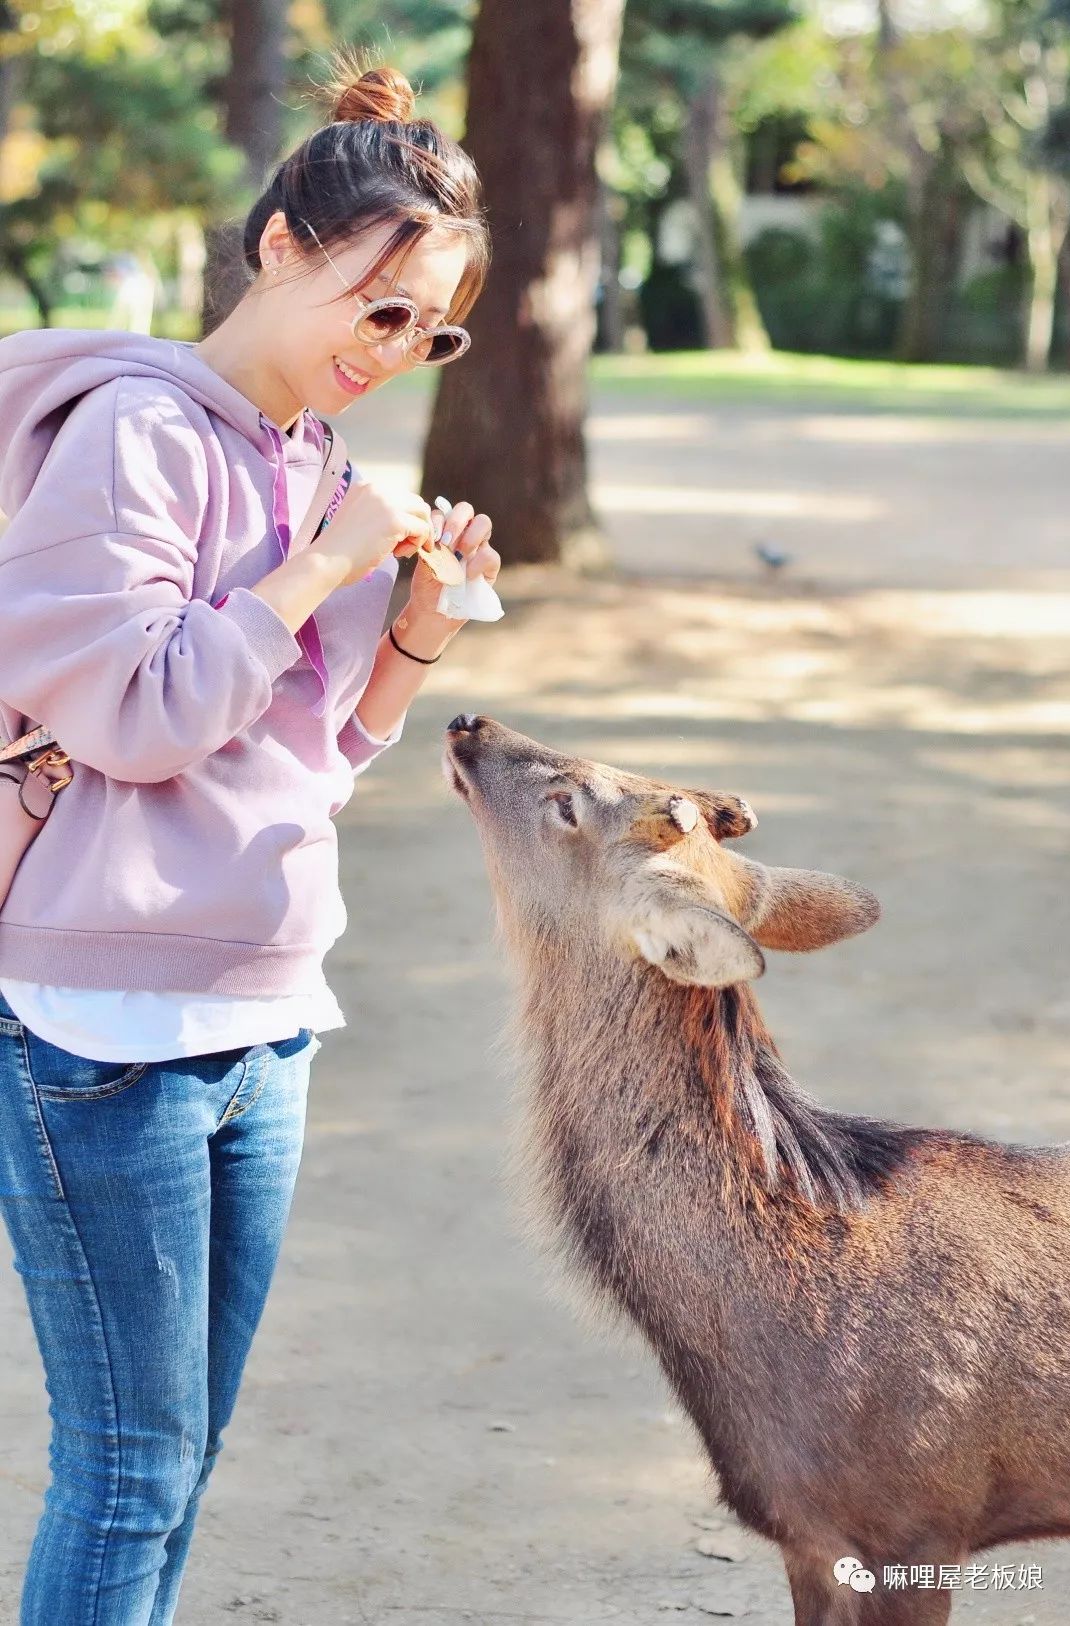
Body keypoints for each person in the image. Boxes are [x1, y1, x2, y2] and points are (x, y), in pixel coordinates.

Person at [0, 57, 498, 1625]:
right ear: (283, 243)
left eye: (431, 329)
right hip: (109, 1025)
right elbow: (140, 717)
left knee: (186, 1450)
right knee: (131, 1461)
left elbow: (307, 759)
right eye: (379, 304)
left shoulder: (320, 467)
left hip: (267, 1012)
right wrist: (312, 572)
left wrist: (406, 631)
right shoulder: (135, 435)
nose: (397, 350)